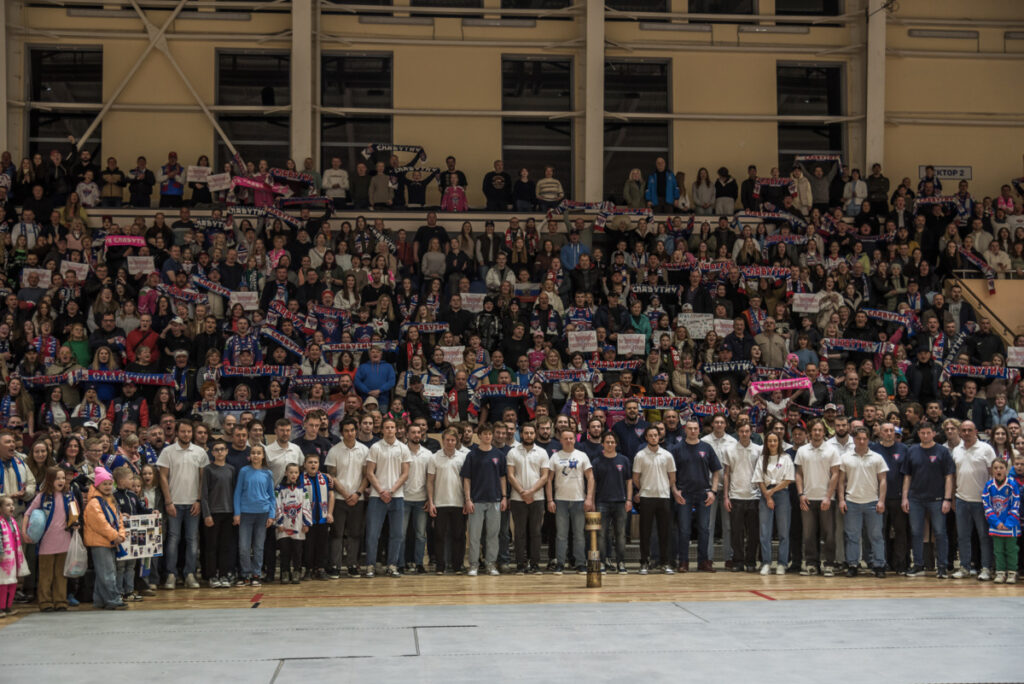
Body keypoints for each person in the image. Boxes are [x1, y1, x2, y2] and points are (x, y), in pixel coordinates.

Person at [156, 419, 209, 590]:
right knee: (173, 539)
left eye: (189, 432)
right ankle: (171, 574)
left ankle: (190, 574)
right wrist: (168, 500)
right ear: (177, 433)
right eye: (183, 431)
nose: (186, 434)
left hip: (193, 503)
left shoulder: (200, 452)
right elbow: (163, 477)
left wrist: (199, 500)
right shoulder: (167, 451)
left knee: (192, 540)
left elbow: (203, 479)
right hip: (174, 504)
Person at [901, 421, 955, 578]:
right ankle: (918, 564)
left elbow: (949, 477)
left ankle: (942, 566)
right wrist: (905, 497)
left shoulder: (942, 451)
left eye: (928, 433)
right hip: (915, 499)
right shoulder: (912, 451)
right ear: (918, 434)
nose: (925, 435)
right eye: (922, 433)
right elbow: (907, 476)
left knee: (940, 532)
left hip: (937, 499)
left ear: (934, 433)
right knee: (916, 532)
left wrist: (947, 499)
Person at [23, 465, 77, 612]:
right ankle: (45, 602)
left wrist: (75, 524)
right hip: (46, 542)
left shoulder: (69, 495)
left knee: (61, 574)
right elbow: (28, 514)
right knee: (45, 575)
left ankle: (60, 601)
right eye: (57, 478)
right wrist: (24, 532)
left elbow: (75, 513)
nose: (61, 481)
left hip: (64, 541)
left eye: (63, 478)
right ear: (50, 480)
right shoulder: (42, 497)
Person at [837, 426, 888, 578]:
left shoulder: (877, 458)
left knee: (876, 536)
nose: (861, 441)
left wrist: (881, 501)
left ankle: (879, 565)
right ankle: (853, 564)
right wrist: (841, 500)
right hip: (852, 502)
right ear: (854, 439)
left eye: (864, 438)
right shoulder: (846, 457)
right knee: (852, 536)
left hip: (873, 502)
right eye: (858, 438)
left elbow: (883, 480)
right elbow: (841, 482)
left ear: (869, 440)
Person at [364, 417, 411, 578]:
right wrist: (382, 491)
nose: (390, 430)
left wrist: (391, 491)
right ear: (382, 430)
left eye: (392, 427)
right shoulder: (375, 447)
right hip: (377, 497)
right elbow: (369, 472)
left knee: (397, 534)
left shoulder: (403, 448)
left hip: (397, 496)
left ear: (396, 429)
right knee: (372, 533)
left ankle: (392, 565)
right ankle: (370, 565)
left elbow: (405, 473)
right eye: (387, 427)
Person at [671, 419, 721, 573]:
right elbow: (671, 473)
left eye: (695, 428)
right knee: (684, 530)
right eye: (690, 428)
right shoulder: (677, 449)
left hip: (703, 494)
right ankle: (683, 562)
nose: (693, 431)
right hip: (683, 494)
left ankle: (703, 561)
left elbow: (716, 471)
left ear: (699, 430)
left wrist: (713, 491)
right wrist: (674, 490)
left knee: (704, 529)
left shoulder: (706, 447)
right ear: (685, 430)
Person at [950, 420, 996, 581]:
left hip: (982, 500)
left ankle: (986, 568)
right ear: (960, 432)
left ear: (976, 431)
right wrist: (953, 497)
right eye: (964, 430)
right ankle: (964, 567)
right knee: (962, 536)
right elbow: (954, 476)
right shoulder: (956, 450)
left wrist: (991, 498)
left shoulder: (986, 449)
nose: (967, 433)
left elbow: (993, 474)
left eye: (970, 430)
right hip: (961, 499)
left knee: (984, 536)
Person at [545, 427, 594, 575]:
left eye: (571, 438)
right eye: (565, 438)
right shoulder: (555, 457)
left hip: (579, 500)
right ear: (560, 440)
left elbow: (590, 477)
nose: (568, 441)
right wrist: (549, 500)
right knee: (561, 534)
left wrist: (589, 498)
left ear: (575, 439)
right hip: (560, 501)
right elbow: (548, 480)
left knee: (579, 534)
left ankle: (580, 563)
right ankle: (560, 563)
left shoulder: (582, 456)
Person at [460, 422, 506, 577]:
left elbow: (502, 477)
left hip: (495, 500)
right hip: (476, 501)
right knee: (474, 535)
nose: (488, 436)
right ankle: (473, 564)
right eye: (484, 434)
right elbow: (466, 478)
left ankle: (491, 564)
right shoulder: (472, 455)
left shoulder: (499, 455)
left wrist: (504, 497)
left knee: (493, 535)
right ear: (478, 436)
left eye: (490, 434)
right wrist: (468, 499)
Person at [325, 418, 369, 578]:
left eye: (352, 430)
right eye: (346, 430)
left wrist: (357, 494)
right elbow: (332, 475)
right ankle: (335, 565)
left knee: (355, 534)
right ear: (341, 432)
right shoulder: (334, 451)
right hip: (338, 498)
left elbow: (367, 475)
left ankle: (352, 565)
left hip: (358, 499)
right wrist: (344, 493)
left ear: (356, 430)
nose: (350, 433)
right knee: (337, 533)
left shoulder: (364, 450)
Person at [795, 420, 840, 576]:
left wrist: (828, 496)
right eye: (814, 430)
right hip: (807, 498)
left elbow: (835, 473)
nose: (817, 432)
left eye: (820, 430)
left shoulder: (832, 450)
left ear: (824, 432)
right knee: (808, 534)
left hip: (826, 499)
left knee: (829, 534)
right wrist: (801, 494)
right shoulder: (802, 451)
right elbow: (798, 473)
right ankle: (811, 564)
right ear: (809, 432)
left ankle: (829, 564)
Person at [505, 422, 550, 574]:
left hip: (537, 498)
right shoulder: (513, 452)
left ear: (535, 434)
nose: (529, 435)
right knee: (519, 533)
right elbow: (510, 475)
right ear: (521, 434)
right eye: (526, 433)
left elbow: (544, 477)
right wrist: (523, 492)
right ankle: (520, 564)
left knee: (536, 532)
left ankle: (535, 564)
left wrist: (530, 491)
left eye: (531, 433)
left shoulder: (542, 452)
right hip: (518, 499)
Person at [633, 425, 676, 575]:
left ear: (659, 437)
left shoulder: (667, 455)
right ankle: (644, 562)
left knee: (665, 532)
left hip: (663, 497)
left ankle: (664, 563)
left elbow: (672, 478)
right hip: (646, 498)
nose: (653, 437)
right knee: (645, 532)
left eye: (655, 435)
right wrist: (645, 488)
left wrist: (663, 487)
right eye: (650, 435)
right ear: (646, 438)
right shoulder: (640, 456)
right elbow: (636, 478)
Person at [82, 467, 126, 610]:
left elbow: (119, 519)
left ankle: (100, 599)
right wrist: (115, 535)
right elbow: (101, 524)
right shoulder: (94, 503)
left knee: (105, 571)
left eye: (109, 484)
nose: (107, 487)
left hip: (110, 541)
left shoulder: (111, 500)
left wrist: (121, 534)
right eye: (104, 484)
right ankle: (112, 599)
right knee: (107, 572)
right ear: (97, 485)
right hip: (100, 542)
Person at [233, 444, 276, 587]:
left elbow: (271, 496)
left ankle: (256, 573)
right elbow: (238, 493)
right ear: (249, 456)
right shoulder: (244, 471)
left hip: (262, 514)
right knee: (244, 547)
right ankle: (245, 574)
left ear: (263, 456)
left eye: (259, 453)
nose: (256, 455)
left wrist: (271, 514)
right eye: (253, 453)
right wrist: (237, 513)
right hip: (245, 514)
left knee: (258, 547)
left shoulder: (268, 473)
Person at [752, 432, 794, 576]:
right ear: (766, 443)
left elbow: (788, 479)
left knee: (783, 532)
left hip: (782, 494)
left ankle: (782, 563)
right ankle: (766, 563)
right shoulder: (762, 458)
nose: (772, 443)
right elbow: (759, 479)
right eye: (769, 441)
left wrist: (773, 492)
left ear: (779, 442)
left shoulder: (786, 458)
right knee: (765, 532)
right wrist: (768, 496)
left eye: (775, 440)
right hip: (765, 494)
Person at [426, 427, 467, 574]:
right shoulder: (434, 457)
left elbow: (466, 481)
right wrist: (431, 502)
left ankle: (457, 566)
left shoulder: (463, 457)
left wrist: (467, 500)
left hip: (458, 502)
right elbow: (430, 481)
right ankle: (440, 566)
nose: (450, 442)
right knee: (439, 536)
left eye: (453, 440)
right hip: (440, 503)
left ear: (457, 441)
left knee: (459, 536)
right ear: (443, 440)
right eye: (447, 440)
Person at [722, 421, 761, 573]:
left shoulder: (759, 449)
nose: (744, 434)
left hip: (754, 496)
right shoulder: (729, 450)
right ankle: (738, 561)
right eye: (742, 431)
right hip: (735, 496)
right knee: (736, 532)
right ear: (737, 432)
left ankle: (751, 561)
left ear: (751, 432)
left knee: (753, 533)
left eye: (747, 431)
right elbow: (726, 474)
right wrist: (726, 496)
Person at [591, 431, 632, 574]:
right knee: (601, 534)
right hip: (602, 502)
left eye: (612, 442)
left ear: (616, 444)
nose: (610, 444)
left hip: (621, 502)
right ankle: (602, 562)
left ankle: (621, 562)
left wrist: (629, 499)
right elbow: (593, 483)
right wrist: (592, 501)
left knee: (620, 534)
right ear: (602, 444)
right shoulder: (596, 461)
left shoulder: (624, 460)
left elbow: (629, 482)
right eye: (607, 442)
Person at [201, 440, 236, 588]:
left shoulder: (231, 469)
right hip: (213, 513)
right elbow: (204, 494)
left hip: (228, 513)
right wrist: (207, 514)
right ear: (212, 452)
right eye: (217, 450)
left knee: (225, 546)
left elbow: (235, 492)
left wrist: (236, 513)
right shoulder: (208, 470)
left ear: (227, 451)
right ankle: (212, 575)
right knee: (211, 546)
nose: (220, 452)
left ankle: (223, 574)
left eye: (222, 449)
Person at [982, 458, 1020, 584]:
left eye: (1001, 468)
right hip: (996, 525)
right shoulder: (988, 486)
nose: (998, 470)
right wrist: (996, 522)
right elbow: (986, 505)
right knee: (998, 550)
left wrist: (1008, 522)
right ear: (992, 470)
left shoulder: (1012, 484)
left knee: (1011, 550)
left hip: (1011, 525)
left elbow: (1016, 504)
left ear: (1006, 469)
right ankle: (1000, 572)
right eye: (995, 468)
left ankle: (1012, 572)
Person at [300, 453, 334, 580]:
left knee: (322, 544)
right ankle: (308, 569)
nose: (313, 464)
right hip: (307, 519)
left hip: (322, 517)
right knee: (308, 545)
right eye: (310, 462)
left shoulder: (325, 478)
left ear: (319, 465)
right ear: (304, 465)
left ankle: (320, 569)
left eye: (315, 462)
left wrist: (330, 513)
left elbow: (331, 496)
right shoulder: (300, 479)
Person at [275, 462, 310, 585]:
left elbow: (306, 506)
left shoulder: (302, 489)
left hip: (298, 526)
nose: (293, 475)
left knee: (297, 551)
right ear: (286, 473)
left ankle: (296, 571)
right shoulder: (280, 489)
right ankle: (284, 572)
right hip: (283, 526)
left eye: (296, 472)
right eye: (291, 472)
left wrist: (306, 523)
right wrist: (278, 522)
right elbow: (277, 505)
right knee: (285, 551)